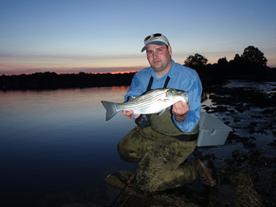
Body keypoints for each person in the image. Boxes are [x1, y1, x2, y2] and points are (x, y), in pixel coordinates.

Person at [107, 33, 216, 193]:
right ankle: (156, 161)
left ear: (169, 50)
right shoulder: (141, 75)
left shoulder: (189, 76)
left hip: (180, 137)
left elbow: (192, 120)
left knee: (147, 183)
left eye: (159, 50)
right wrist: (132, 108)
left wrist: (180, 116)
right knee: (124, 150)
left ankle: (196, 169)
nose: (154, 55)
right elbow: (133, 94)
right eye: (149, 51)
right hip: (153, 130)